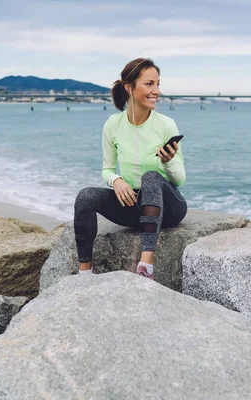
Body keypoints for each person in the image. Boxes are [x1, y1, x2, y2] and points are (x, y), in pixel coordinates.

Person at [73, 58, 187, 280]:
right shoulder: (113, 125)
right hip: (133, 207)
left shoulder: (166, 124)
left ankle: (145, 268)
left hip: (167, 208)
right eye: (149, 84)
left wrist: (168, 162)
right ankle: (84, 272)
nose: (156, 91)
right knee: (84, 197)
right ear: (129, 87)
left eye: (158, 84)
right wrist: (116, 180)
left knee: (152, 177)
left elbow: (180, 179)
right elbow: (106, 168)